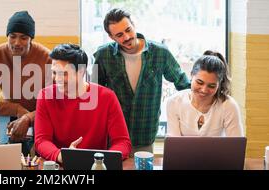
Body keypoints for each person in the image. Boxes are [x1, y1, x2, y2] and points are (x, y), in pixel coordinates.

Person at [91, 8, 190, 154]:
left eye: (128, 30)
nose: (126, 37)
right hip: (113, 136)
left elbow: (183, 83)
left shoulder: (160, 53)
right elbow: (94, 94)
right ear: (111, 37)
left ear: (134, 25)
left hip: (144, 134)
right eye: (119, 35)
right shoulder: (103, 55)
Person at [35, 44, 132, 163]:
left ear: (81, 71)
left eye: (64, 74)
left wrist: (102, 162)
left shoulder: (107, 97)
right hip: (60, 165)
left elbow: (122, 142)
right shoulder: (45, 96)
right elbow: (42, 140)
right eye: (54, 73)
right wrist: (62, 156)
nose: (57, 79)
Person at [0, 11, 52, 153]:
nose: (17, 43)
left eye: (23, 38)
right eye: (12, 36)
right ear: (7, 36)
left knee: (40, 154)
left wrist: (28, 117)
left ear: (31, 39)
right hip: (10, 113)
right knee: (2, 153)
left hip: (41, 113)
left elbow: (53, 104)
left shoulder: (47, 58)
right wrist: (17, 109)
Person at [166, 51, 243, 136]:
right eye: (199, 82)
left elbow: (235, 145)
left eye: (212, 86)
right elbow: (175, 144)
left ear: (219, 84)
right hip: (182, 150)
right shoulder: (174, 102)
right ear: (191, 75)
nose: (204, 90)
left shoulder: (228, 105)